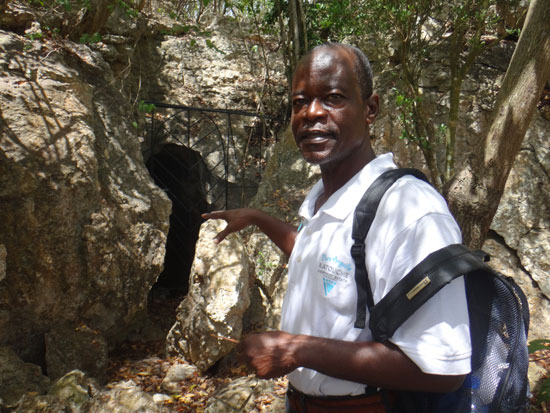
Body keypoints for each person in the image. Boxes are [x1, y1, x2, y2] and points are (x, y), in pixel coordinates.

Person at [202, 43, 471, 412]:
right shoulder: (325, 197)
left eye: (333, 98)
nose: (311, 113)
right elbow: (325, 261)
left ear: (370, 109)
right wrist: (259, 218)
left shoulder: (409, 210)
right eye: (299, 102)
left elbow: (443, 369)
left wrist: (293, 350)